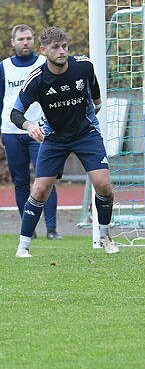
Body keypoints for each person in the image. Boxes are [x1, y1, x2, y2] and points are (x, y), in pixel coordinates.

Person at [11, 27, 118, 257]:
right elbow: (15, 113)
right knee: (40, 189)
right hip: (54, 138)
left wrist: (83, 120)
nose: (61, 52)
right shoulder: (37, 79)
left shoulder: (84, 67)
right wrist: (30, 126)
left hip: (85, 134)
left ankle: (105, 235)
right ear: (44, 50)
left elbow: (97, 101)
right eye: (55, 47)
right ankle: (23, 246)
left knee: (103, 184)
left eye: (64, 46)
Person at [1, 25, 60, 240]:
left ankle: (52, 229)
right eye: (21, 39)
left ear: (34, 41)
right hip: (11, 131)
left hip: (41, 131)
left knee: (46, 178)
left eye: (28, 38)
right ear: (13, 42)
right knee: (21, 181)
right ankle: (29, 229)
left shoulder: (44, 63)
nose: (25, 42)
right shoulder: (4, 67)